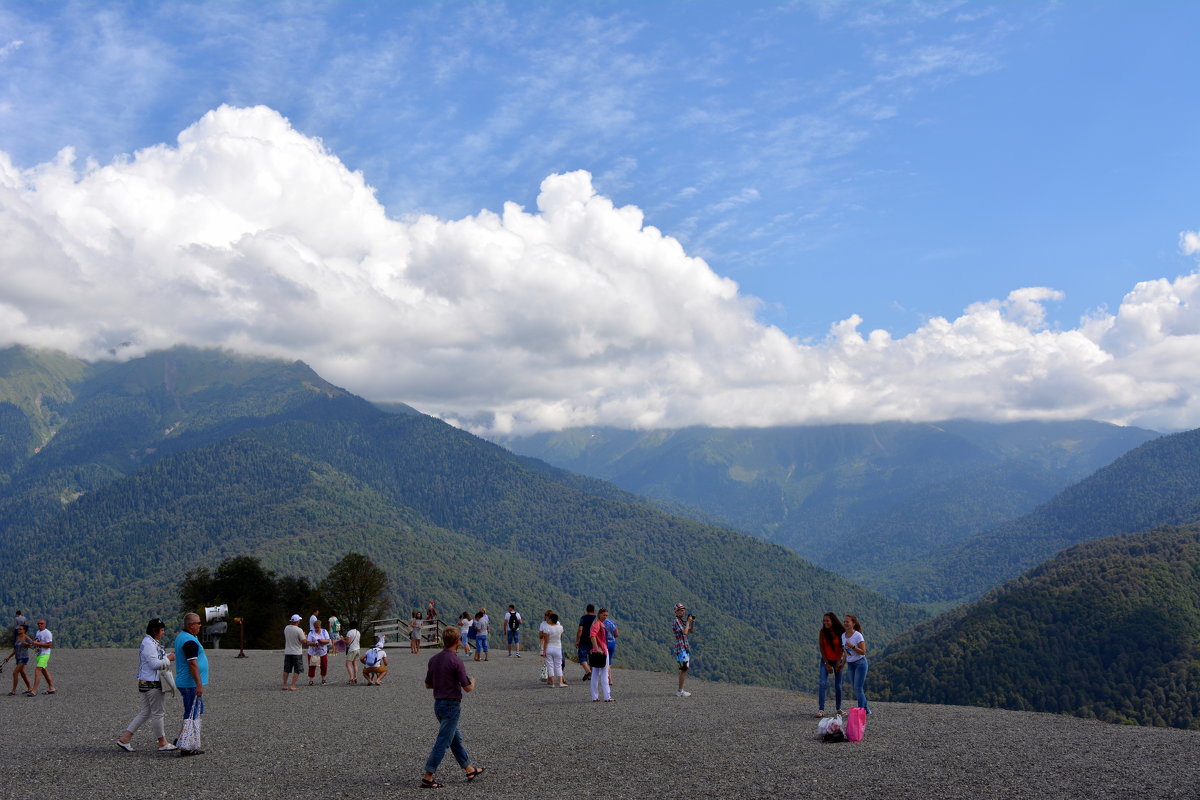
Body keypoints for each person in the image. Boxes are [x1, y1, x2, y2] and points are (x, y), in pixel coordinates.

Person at [420, 627, 485, 788]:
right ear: (458, 641)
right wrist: (473, 681)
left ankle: (469, 769)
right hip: (452, 706)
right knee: (443, 741)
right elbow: (468, 688)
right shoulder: (457, 661)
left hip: (439, 705)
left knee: (455, 738)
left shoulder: (434, 659)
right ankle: (428, 776)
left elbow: (428, 685)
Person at [117, 618, 178, 752]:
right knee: (158, 713)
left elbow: (156, 658)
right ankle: (162, 742)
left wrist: (168, 655)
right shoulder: (149, 644)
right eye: (161, 630)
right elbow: (155, 664)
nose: (163, 633)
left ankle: (125, 738)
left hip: (145, 682)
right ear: (155, 631)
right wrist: (169, 659)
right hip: (153, 683)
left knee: (145, 712)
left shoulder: (150, 642)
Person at [174, 612, 209, 756]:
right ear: (191, 625)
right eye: (198, 623)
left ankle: (182, 739)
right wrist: (199, 684)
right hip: (190, 683)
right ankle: (186, 746)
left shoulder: (182, 637)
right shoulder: (190, 641)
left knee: (194, 711)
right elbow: (192, 664)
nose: (200, 626)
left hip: (186, 682)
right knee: (191, 714)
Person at [816, 612, 845, 718]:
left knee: (838, 686)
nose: (825, 622)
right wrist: (826, 663)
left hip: (837, 660)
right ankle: (821, 709)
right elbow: (822, 648)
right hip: (825, 660)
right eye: (824, 621)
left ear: (833, 621)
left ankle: (838, 709)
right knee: (822, 684)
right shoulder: (822, 632)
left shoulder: (841, 632)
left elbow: (842, 648)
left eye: (827, 620)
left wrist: (838, 663)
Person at [842, 614, 870, 715]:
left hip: (860, 663)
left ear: (853, 623)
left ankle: (860, 712)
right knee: (856, 688)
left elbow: (863, 652)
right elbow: (845, 652)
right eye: (844, 621)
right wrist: (842, 663)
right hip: (850, 665)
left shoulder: (858, 635)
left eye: (847, 622)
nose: (845, 623)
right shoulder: (843, 636)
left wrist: (853, 646)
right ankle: (866, 710)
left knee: (858, 688)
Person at [589, 608, 612, 702]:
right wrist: (597, 648)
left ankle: (595, 697)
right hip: (601, 651)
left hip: (598, 651)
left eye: (606, 615)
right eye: (604, 615)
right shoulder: (597, 624)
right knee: (604, 673)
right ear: (599, 615)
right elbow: (592, 635)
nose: (605, 617)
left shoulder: (599, 624)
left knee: (595, 673)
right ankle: (607, 696)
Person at [673, 603, 695, 697]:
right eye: (681, 610)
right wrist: (688, 622)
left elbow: (691, 631)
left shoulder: (681, 621)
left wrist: (691, 622)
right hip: (681, 648)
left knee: (684, 669)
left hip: (684, 647)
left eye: (683, 610)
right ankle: (680, 691)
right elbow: (685, 632)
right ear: (676, 612)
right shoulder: (677, 621)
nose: (683, 611)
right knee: (684, 669)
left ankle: (680, 690)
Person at [539, 611, 567, 687]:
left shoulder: (547, 628)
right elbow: (561, 636)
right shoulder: (560, 627)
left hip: (549, 648)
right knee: (558, 665)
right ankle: (561, 682)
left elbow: (546, 641)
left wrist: (544, 651)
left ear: (551, 620)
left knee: (550, 666)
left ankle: (552, 683)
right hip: (558, 648)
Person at [4, 623, 32, 695]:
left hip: (24, 657)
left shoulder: (26, 637)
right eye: (18, 629)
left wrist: (27, 644)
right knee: (23, 674)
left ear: (24, 630)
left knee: (15, 672)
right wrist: (9, 657)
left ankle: (13, 690)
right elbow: (15, 650)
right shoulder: (17, 637)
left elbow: (33, 645)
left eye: (20, 629)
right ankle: (29, 688)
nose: (18, 630)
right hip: (18, 658)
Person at [29, 619, 55, 695]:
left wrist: (37, 643)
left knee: (38, 670)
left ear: (45, 624)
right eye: (38, 623)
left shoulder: (47, 633)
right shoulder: (38, 632)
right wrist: (32, 644)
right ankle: (52, 688)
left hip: (45, 654)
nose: (40, 625)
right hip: (39, 654)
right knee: (44, 670)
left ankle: (33, 691)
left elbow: (49, 645)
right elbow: (37, 642)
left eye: (41, 623)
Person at [281, 614, 306, 691]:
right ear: (297, 621)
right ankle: (292, 685)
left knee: (286, 669)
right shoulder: (299, 630)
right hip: (297, 652)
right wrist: (305, 635)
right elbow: (303, 641)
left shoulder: (286, 628)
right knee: (297, 669)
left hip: (288, 651)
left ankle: (285, 685)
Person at [307, 618, 332, 685]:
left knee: (324, 666)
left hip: (322, 652)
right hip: (313, 653)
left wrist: (322, 641)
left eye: (318, 627)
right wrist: (314, 643)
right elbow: (308, 642)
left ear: (320, 626)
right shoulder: (311, 632)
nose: (316, 629)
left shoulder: (324, 631)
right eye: (315, 627)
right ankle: (311, 680)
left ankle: (323, 679)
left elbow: (328, 640)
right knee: (312, 666)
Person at [576, 604, 596, 681]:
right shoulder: (595, 619)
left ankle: (588, 671)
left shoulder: (583, 618)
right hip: (593, 640)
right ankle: (591, 675)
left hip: (584, 640)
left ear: (586, 610)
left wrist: (577, 640)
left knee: (582, 657)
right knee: (592, 658)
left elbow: (580, 629)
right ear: (593, 610)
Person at [603, 612, 619, 686]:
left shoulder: (599, 623)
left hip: (604, 643)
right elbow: (616, 635)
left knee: (602, 661)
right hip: (612, 643)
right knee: (609, 662)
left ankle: (606, 678)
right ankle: (610, 679)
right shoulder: (612, 622)